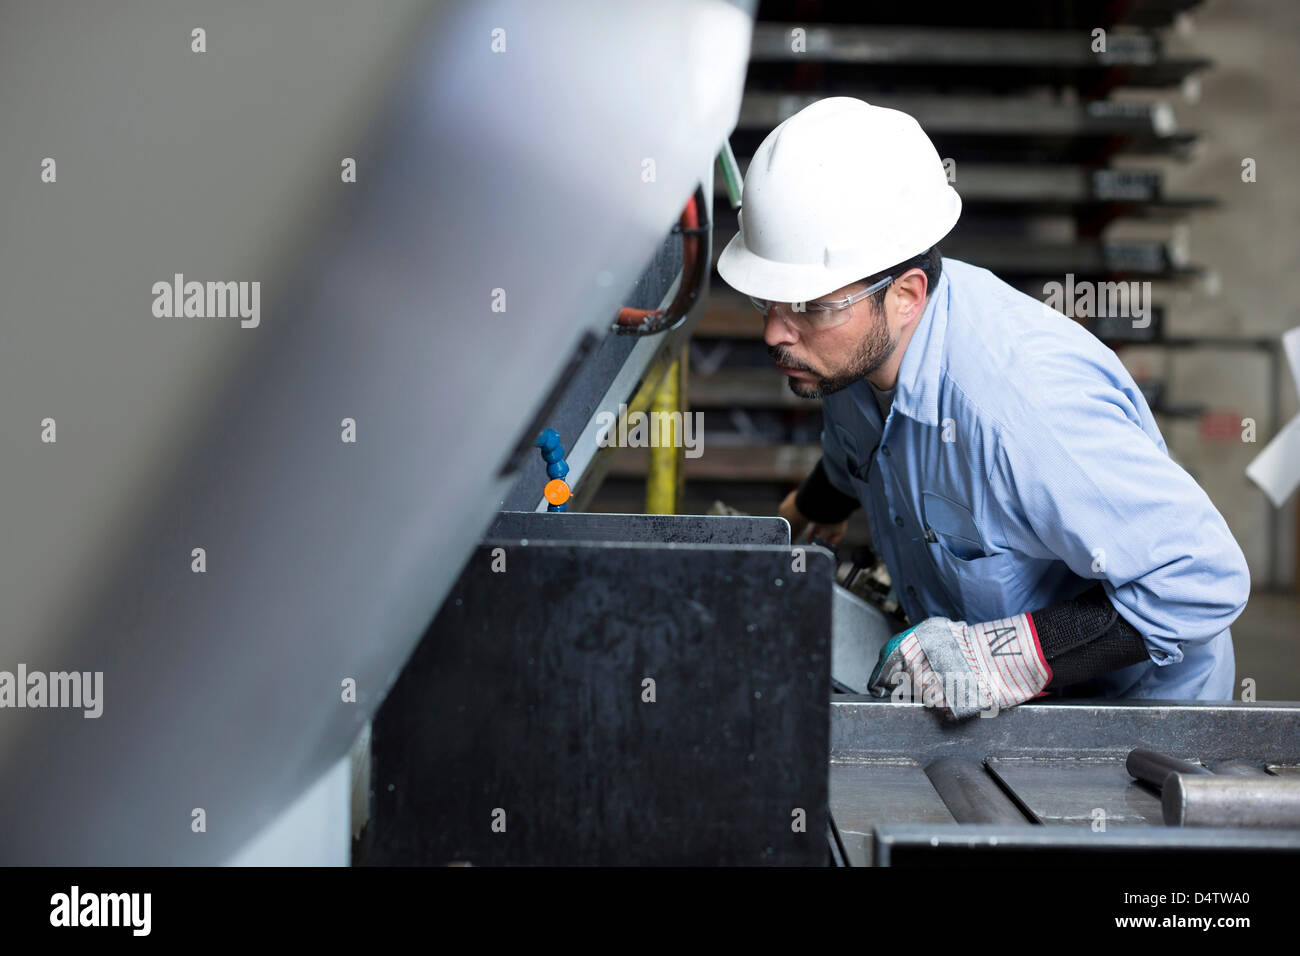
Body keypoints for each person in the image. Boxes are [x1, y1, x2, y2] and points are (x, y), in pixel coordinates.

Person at [716, 97, 1249, 720]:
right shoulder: (851, 355)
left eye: (809, 306)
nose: (776, 334)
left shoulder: (1026, 409)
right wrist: (805, 515)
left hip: (1137, 720)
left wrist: (996, 657)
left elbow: (1201, 579)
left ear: (907, 295)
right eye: (768, 301)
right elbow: (854, 454)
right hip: (1011, 707)